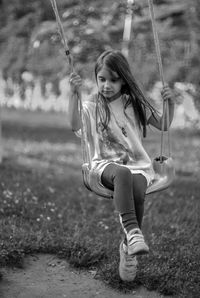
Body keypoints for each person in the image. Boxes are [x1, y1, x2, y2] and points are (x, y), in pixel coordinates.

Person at [68, 50, 175, 282]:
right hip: (103, 167)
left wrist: (170, 103)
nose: (107, 85)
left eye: (114, 80)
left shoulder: (133, 104)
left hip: (140, 167)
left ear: (124, 79)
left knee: (136, 185)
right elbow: (75, 124)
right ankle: (134, 232)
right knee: (123, 173)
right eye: (102, 79)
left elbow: (164, 124)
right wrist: (73, 95)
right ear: (96, 78)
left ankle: (129, 248)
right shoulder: (92, 105)